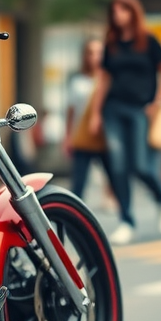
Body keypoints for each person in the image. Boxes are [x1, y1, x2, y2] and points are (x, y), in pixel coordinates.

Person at [87, 0, 161, 245]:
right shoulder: (112, 43)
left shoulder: (147, 41)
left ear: (133, 12)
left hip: (139, 109)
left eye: (123, 10)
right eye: (114, 11)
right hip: (113, 109)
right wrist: (95, 113)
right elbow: (104, 79)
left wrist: (158, 101)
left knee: (140, 165)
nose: (118, 15)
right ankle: (127, 220)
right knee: (117, 166)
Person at [66, 39, 111, 201]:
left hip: (104, 136)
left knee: (115, 175)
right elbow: (71, 112)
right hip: (83, 137)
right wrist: (68, 137)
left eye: (99, 52)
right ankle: (74, 213)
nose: (95, 57)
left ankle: (122, 212)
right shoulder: (77, 81)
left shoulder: (108, 80)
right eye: (91, 53)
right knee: (78, 182)